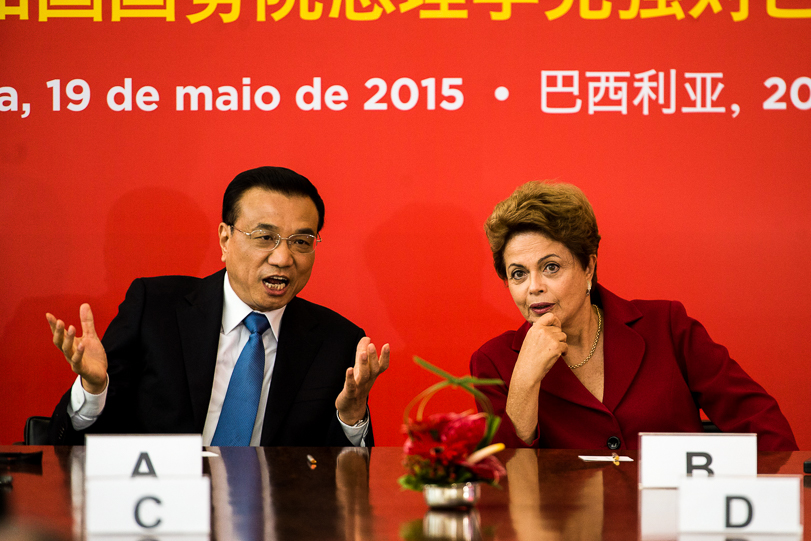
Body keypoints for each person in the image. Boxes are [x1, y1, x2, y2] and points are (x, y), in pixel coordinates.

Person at [46, 166, 389, 447]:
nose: (283, 258)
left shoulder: (337, 342)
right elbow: (76, 445)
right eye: (265, 238)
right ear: (225, 239)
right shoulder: (155, 310)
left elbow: (346, 482)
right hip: (161, 504)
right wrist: (93, 390)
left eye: (301, 241)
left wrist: (351, 417)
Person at [470, 181, 797, 451]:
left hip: (675, 511)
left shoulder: (666, 326)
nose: (534, 287)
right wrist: (524, 381)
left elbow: (761, 423)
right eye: (518, 274)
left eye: (551, 267)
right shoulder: (494, 363)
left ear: (588, 267)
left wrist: (780, 496)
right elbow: (499, 479)